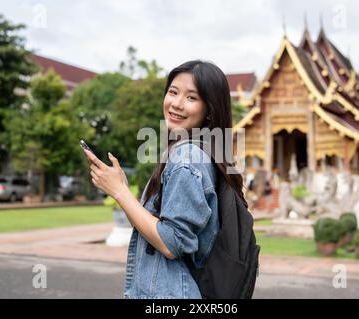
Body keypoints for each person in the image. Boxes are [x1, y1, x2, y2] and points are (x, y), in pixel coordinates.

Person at [83, 60, 247, 299]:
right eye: (173, 92)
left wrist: (120, 192)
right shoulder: (201, 153)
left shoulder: (187, 158)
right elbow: (157, 228)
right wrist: (124, 191)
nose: (176, 104)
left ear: (209, 110)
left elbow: (172, 243)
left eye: (191, 98)